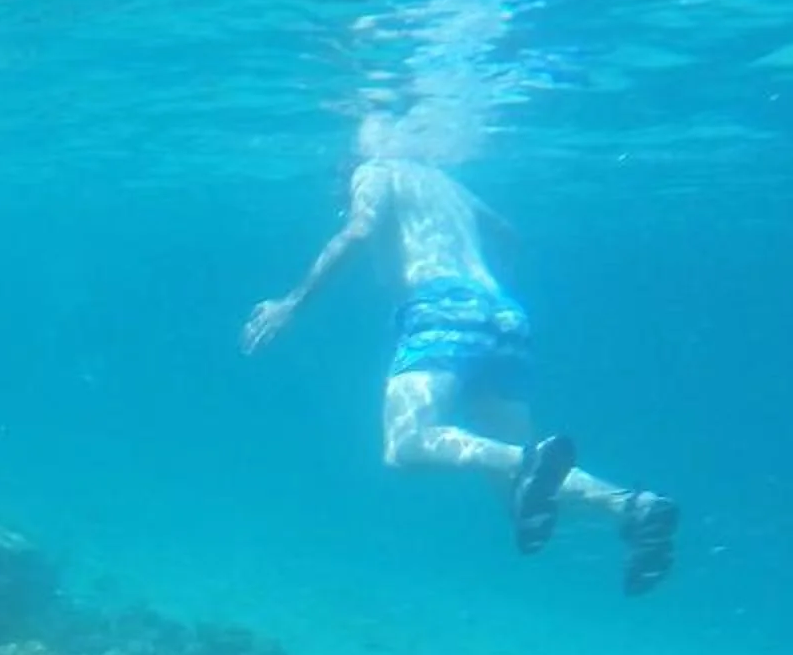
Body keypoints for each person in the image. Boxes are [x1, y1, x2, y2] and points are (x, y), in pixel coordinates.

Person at [243, 138, 678, 594]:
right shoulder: (443, 181)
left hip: (442, 306)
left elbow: (357, 231)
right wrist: (485, 300)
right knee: (519, 496)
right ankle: (634, 508)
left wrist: (291, 303)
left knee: (405, 445)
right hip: (504, 314)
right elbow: (508, 234)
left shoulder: (374, 170)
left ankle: (529, 460)